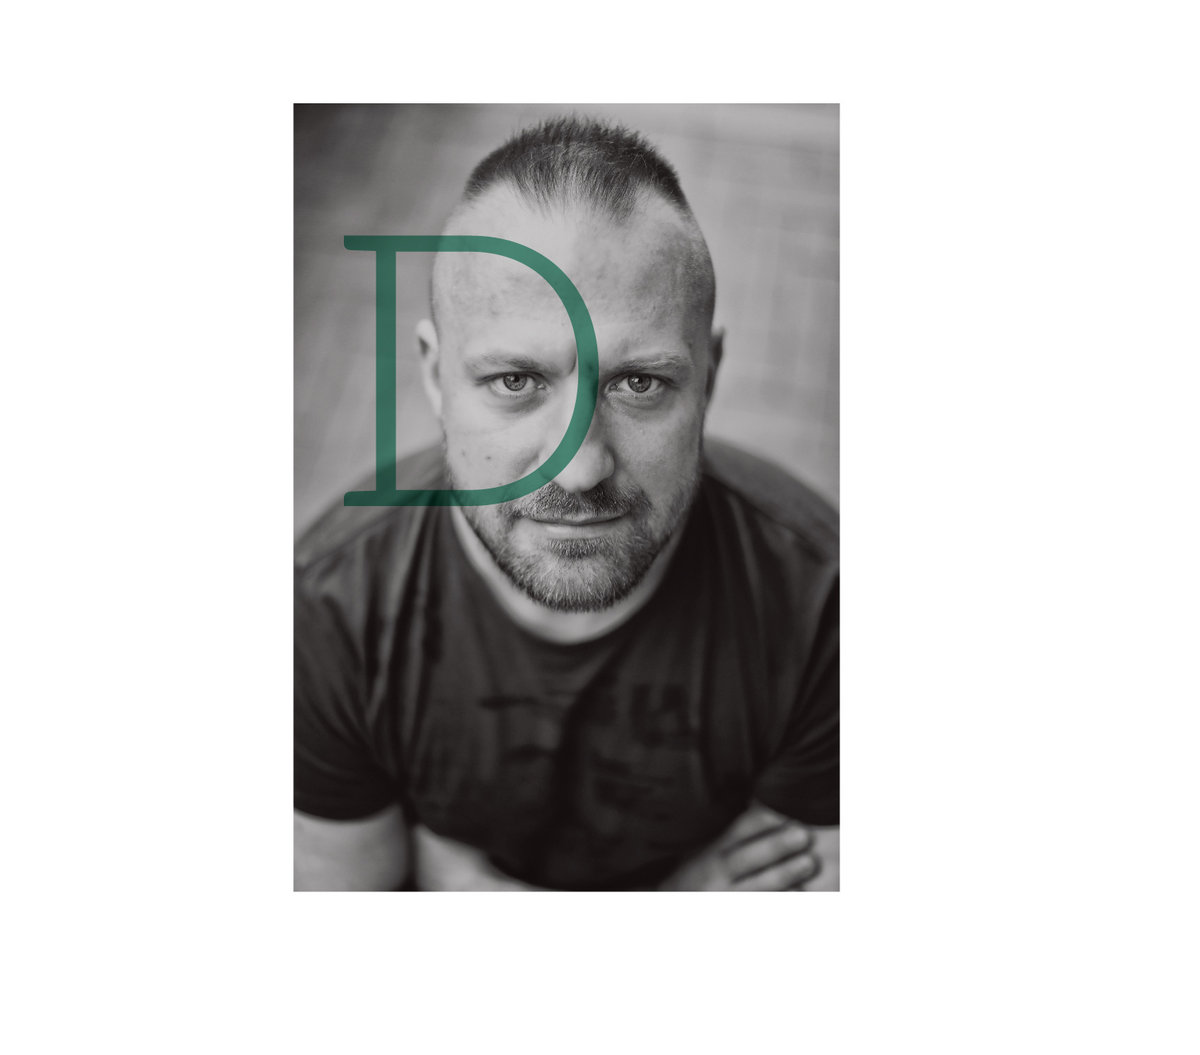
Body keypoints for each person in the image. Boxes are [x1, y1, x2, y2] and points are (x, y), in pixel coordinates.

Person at [294, 115, 839, 891]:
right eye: (516, 381)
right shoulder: (329, 615)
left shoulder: (822, 607)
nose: (580, 468)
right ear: (435, 377)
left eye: (638, 383)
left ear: (709, 376)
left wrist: (456, 881)